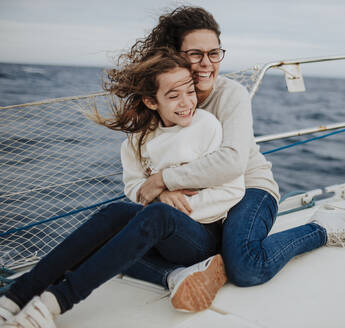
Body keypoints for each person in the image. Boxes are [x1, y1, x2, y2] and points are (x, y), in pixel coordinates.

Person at [129, 5, 345, 291]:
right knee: (120, 241)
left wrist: (162, 181)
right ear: (174, 54)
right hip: (206, 203)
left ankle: (322, 229)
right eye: (195, 54)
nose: (207, 63)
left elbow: (232, 162)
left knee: (246, 269)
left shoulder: (231, 94)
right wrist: (161, 191)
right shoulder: (160, 99)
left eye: (214, 53)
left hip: (250, 189)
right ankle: (177, 275)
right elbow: (146, 157)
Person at [0, 49, 245, 327]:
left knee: (156, 215)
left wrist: (170, 205)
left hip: (200, 235)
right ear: (151, 101)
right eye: (174, 96)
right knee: (115, 211)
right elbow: (134, 187)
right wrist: (161, 192)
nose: (187, 102)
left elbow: (232, 190)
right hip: (157, 229)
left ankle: (54, 303)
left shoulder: (207, 126)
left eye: (190, 92)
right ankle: (15, 297)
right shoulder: (137, 140)